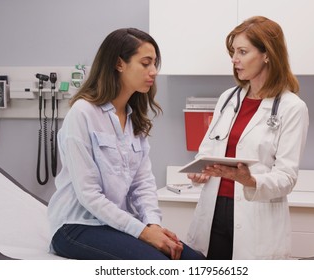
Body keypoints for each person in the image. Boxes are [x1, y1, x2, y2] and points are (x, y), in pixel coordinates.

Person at [47, 28, 203, 260]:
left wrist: (152, 224)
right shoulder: (83, 113)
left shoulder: (134, 119)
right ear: (120, 64)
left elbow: (143, 184)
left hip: (116, 224)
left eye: (155, 64)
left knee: (196, 260)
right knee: (159, 264)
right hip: (77, 225)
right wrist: (142, 232)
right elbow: (89, 194)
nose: (153, 72)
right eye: (146, 63)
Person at [186, 16, 309, 259]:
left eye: (242, 51)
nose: (234, 59)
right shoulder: (227, 99)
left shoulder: (292, 108)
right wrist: (200, 170)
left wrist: (250, 180)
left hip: (256, 218)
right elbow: (207, 150)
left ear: (267, 54)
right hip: (213, 213)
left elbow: (286, 177)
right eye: (233, 52)